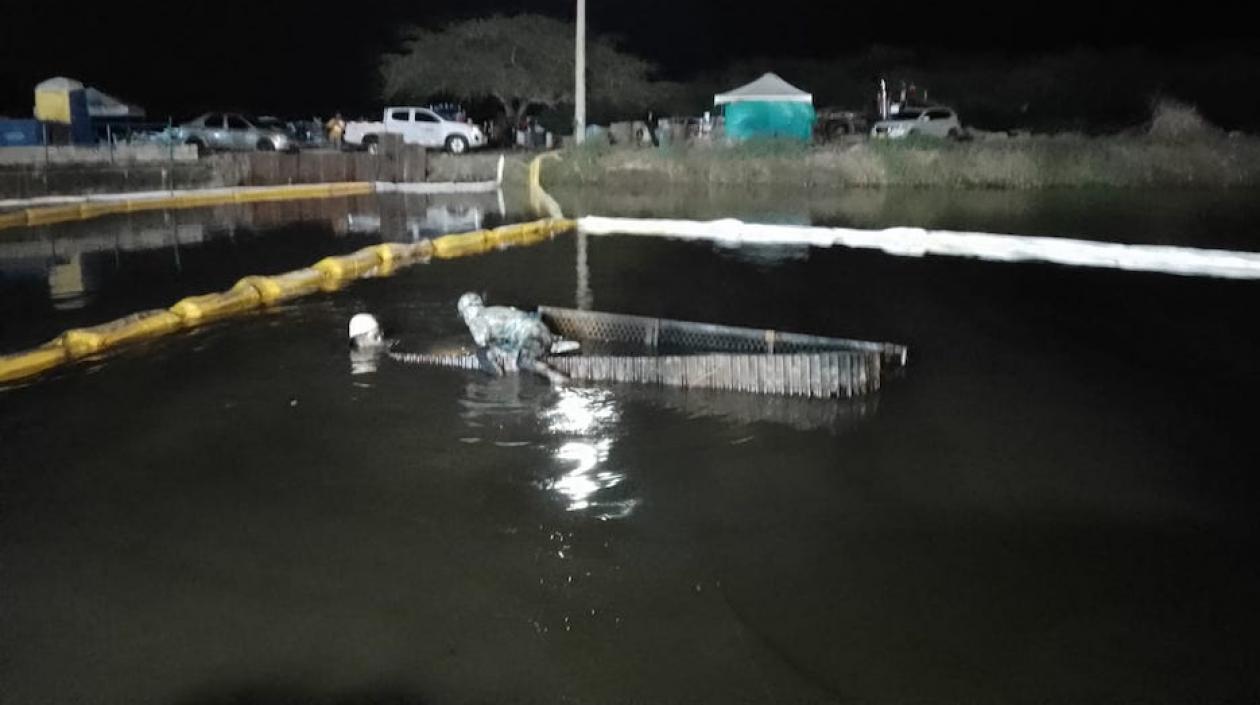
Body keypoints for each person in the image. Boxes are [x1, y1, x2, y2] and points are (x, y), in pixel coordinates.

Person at [457, 293, 568, 384]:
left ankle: (555, 376)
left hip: (532, 336)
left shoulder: (477, 320)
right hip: (542, 329)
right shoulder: (494, 310)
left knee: (522, 361)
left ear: (466, 311)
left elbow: (482, 340)